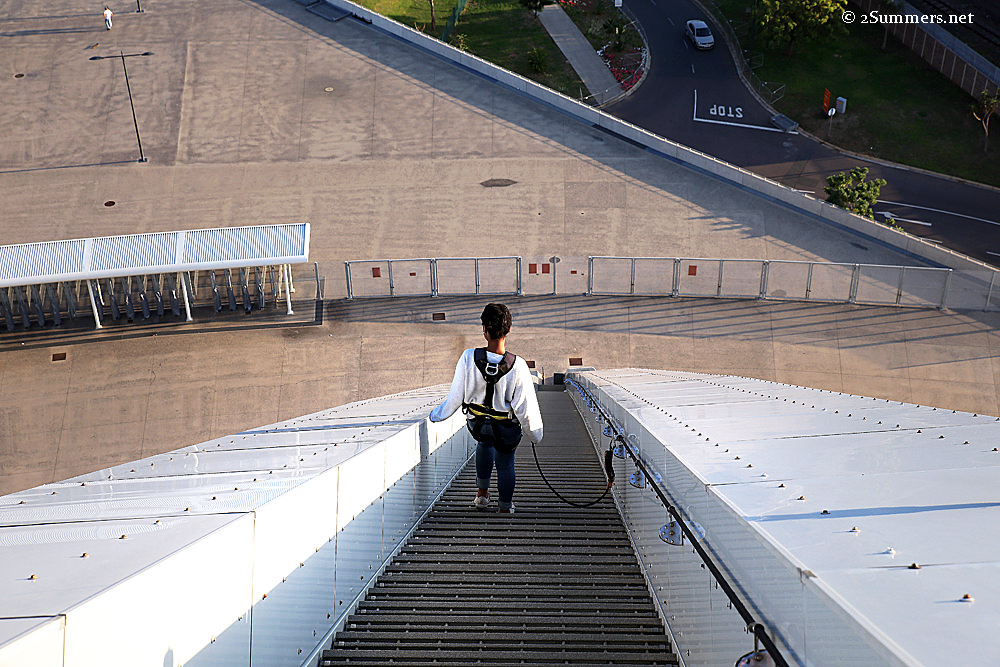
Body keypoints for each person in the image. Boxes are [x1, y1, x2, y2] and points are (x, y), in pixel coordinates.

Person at [429, 303, 542, 514]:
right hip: (506, 427)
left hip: (478, 424)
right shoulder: (518, 366)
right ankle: (505, 507)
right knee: (505, 461)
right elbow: (525, 409)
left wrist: (436, 416)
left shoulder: (468, 357)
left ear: (484, 330)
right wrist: (535, 435)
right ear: (508, 330)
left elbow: (455, 398)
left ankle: (482, 495)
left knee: (484, 444)